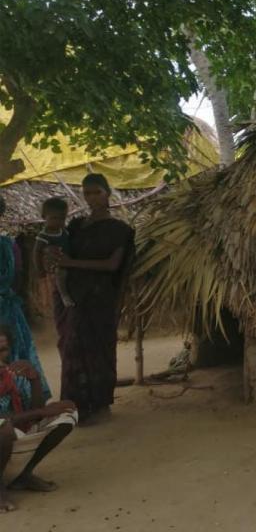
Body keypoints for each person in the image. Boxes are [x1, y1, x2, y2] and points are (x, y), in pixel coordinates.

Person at [49, 174, 135, 424]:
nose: (92, 198)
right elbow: (58, 249)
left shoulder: (119, 230)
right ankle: (74, 407)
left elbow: (112, 265)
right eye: (87, 193)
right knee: (70, 348)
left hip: (98, 299)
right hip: (72, 299)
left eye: (97, 192)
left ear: (108, 193)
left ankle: (97, 404)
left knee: (98, 349)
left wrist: (71, 262)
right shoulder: (75, 226)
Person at [1, 326, 77, 513]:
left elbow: (34, 408)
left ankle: (23, 475)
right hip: (5, 432)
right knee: (4, 427)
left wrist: (34, 379)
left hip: (13, 433)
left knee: (67, 412)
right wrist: (41, 412)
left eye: (2, 349)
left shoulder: (12, 372)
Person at [0, 196, 51, 401]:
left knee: (11, 354)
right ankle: (24, 402)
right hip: (10, 310)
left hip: (8, 310)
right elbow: (18, 278)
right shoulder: (10, 245)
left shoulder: (9, 245)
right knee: (16, 353)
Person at [34, 197, 75, 308]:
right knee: (61, 274)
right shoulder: (44, 235)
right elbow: (37, 253)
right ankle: (64, 296)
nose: (58, 221)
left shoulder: (64, 230)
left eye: (62, 218)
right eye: (54, 218)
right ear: (44, 217)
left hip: (68, 261)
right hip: (56, 264)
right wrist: (40, 269)